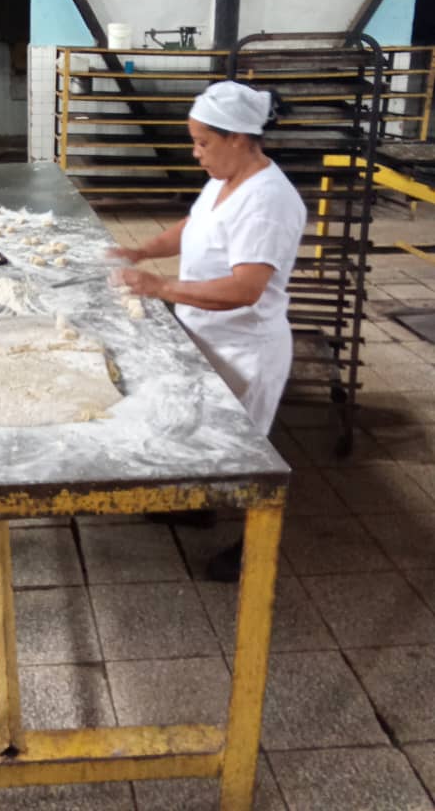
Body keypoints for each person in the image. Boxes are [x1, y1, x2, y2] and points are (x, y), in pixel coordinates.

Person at [110, 80, 306, 580]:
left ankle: (254, 552)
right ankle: (195, 504)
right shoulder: (227, 179)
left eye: (203, 142)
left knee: (243, 454)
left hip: (245, 349)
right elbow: (193, 225)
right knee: (202, 432)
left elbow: (245, 288)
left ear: (238, 138)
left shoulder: (267, 200)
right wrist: (141, 251)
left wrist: (159, 286)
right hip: (208, 335)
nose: (196, 154)